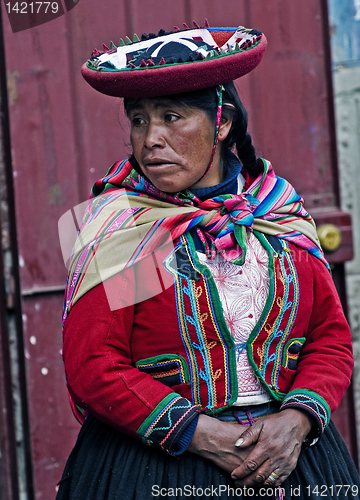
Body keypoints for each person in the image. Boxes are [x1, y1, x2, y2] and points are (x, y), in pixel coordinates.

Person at [56, 22, 360, 499]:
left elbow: (329, 338)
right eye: (139, 120)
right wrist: (205, 437)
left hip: (293, 460)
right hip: (159, 469)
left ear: (222, 121)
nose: (150, 138)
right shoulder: (133, 234)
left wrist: (298, 420)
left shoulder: (274, 219)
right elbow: (96, 362)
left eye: (172, 117)